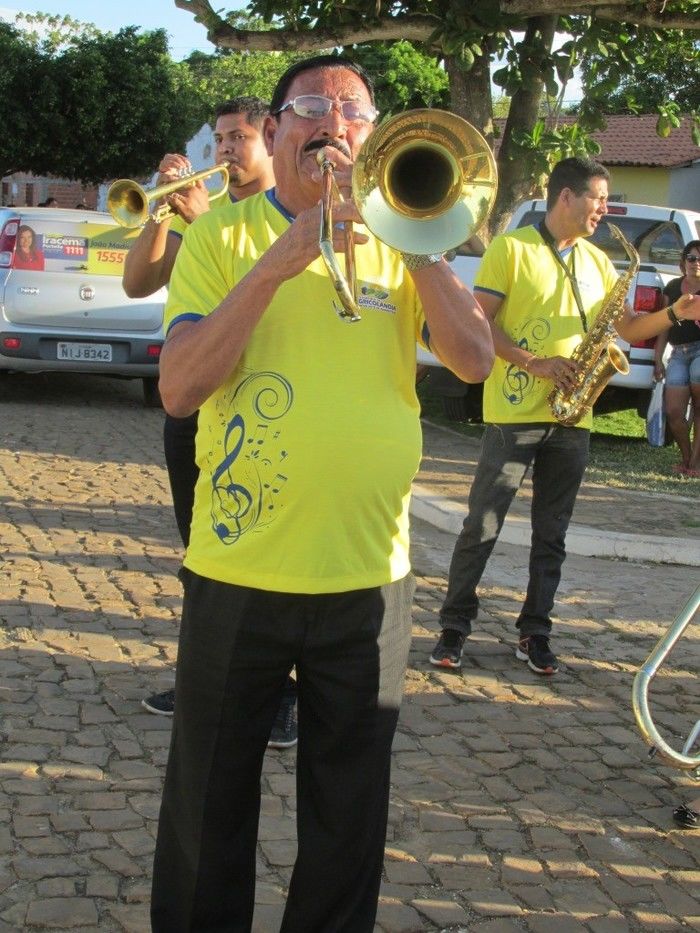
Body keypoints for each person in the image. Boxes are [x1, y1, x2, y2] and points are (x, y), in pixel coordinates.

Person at [150, 54, 494, 931]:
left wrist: (418, 247)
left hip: (369, 577)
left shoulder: (406, 239)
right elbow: (179, 388)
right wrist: (277, 264)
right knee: (206, 809)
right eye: (311, 106)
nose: (334, 125)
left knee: (349, 820)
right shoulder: (221, 236)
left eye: (354, 113)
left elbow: (474, 360)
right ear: (274, 132)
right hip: (239, 570)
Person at [430, 157, 700, 677]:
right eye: (599, 198)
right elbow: (479, 323)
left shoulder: (600, 262)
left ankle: (535, 632)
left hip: (574, 418)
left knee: (552, 534)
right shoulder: (512, 248)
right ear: (567, 196)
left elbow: (625, 328)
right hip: (513, 413)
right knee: (482, 525)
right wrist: (535, 362)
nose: (604, 209)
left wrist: (674, 313)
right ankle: (454, 627)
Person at [124, 97, 299, 746]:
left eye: (240, 137)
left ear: (271, 139)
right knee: (202, 552)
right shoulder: (205, 219)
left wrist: (203, 222)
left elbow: (260, 305)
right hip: (195, 404)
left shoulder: (281, 219)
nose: (226, 149)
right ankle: (206, 678)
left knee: (265, 556)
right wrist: (158, 212)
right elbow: (137, 284)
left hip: (260, 413)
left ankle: (281, 694)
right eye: (220, 138)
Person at [654, 239, 700, 476]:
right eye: (691, 258)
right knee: (674, 412)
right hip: (678, 354)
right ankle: (686, 457)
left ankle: (694, 465)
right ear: (684, 261)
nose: (696, 262)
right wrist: (657, 359)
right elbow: (663, 326)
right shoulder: (672, 288)